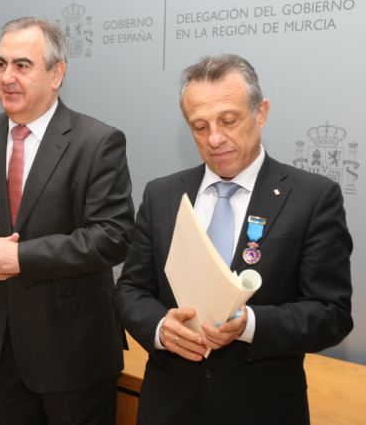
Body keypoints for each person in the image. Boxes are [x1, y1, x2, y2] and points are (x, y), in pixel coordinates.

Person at [114, 54, 353, 425]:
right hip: (170, 405)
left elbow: (331, 314)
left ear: (261, 113)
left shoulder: (313, 197)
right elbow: (130, 290)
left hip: (263, 407)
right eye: (199, 126)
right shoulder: (162, 195)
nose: (214, 138)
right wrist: (162, 328)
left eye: (229, 120)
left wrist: (250, 323)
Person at [0, 16, 134, 425]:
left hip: (74, 354)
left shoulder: (97, 141)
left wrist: (21, 258)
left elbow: (112, 235)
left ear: (57, 74)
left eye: (22, 65)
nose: (7, 77)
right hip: (4, 348)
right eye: (0, 64)